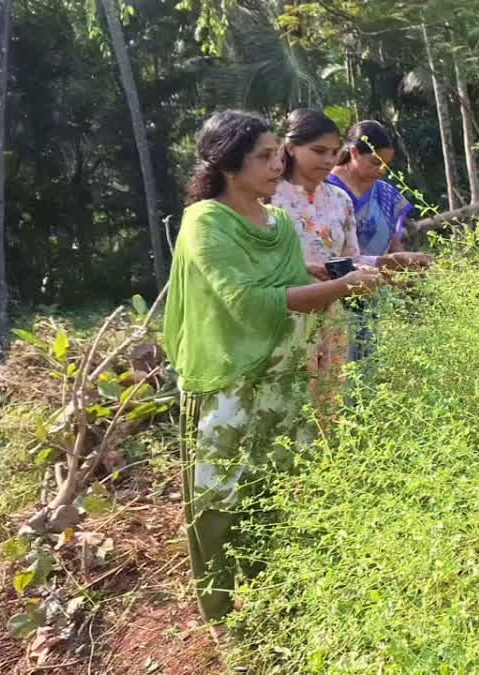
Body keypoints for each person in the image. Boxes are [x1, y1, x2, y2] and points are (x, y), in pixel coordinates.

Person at [165, 110, 382, 640]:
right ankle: (227, 631)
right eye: (263, 156)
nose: (276, 163)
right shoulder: (205, 224)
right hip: (229, 385)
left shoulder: (280, 225)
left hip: (282, 382)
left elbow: (296, 284)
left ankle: (277, 608)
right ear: (226, 163)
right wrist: (345, 288)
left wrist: (378, 271)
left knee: (278, 496)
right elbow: (248, 303)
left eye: (275, 153)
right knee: (219, 507)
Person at [269, 109, 390, 417]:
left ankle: (325, 456)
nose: (327, 160)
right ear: (291, 147)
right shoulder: (268, 198)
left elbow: (351, 259)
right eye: (318, 151)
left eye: (334, 152)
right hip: (284, 312)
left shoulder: (340, 200)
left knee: (329, 393)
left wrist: (388, 262)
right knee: (288, 393)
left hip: (333, 314)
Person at [327, 120, 432, 362]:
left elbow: (395, 243)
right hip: (330, 290)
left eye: (386, 164)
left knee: (365, 359)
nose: (381, 170)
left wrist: (403, 275)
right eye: (375, 162)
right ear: (353, 153)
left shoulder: (385, 193)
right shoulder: (326, 189)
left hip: (372, 290)